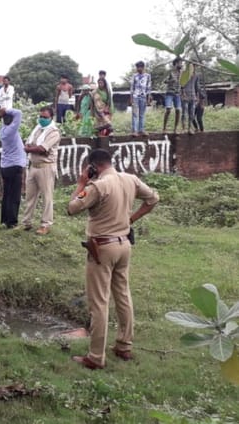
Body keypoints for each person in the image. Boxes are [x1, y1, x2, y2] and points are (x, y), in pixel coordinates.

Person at [67, 148, 159, 369]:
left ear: (93, 166)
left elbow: (72, 208)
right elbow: (153, 199)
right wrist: (130, 219)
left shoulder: (98, 186)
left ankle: (95, 357)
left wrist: (81, 183)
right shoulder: (130, 179)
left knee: (99, 302)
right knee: (123, 295)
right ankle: (124, 345)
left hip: (102, 248)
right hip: (124, 245)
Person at [21, 106, 61, 235]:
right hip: (33, 166)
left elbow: (42, 148)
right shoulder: (37, 129)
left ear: (51, 118)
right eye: (41, 116)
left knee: (47, 197)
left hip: (46, 167)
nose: (42, 119)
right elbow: (30, 144)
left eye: (45, 117)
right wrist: (33, 148)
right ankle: (26, 223)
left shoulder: (54, 132)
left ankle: (45, 224)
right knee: (30, 196)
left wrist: (30, 149)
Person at [0, 107, 27, 229]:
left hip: (6, 166)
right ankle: (12, 222)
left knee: (7, 194)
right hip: (14, 166)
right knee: (14, 196)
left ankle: (6, 219)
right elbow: (19, 112)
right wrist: (6, 110)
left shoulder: (3, 130)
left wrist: (2, 114)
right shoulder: (11, 130)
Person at [129, 61, 151, 137]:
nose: (138, 69)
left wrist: (148, 98)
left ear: (143, 67)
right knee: (135, 114)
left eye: (139, 67)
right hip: (135, 96)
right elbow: (132, 88)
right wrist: (131, 98)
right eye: (137, 67)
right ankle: (134, 131)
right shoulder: (134, 76)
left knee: (142, 114)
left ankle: (141, 130)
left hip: (143, 97)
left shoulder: (148, 76)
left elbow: (148, 88)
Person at [163, 57, 183, 133]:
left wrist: (183, 92)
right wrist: (171, 80)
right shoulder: (170, 72)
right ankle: (164, 128)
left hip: (177, 94)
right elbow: (165, 81)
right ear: (175, 64)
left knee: (178, 110)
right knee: (168, 109)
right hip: (169, 93)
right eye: (180, 63)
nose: (181, 64)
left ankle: (175, 128)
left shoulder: (182, 73)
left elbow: (183, 83)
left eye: (181, 63)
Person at [181, 63, 201, 135]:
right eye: (192, 66)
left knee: (191, 114)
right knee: (184, 113)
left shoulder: (196, 75)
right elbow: (182, 85)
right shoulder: (184, 74)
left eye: (195, 66)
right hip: (185, 96)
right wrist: (183, 94)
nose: (194, 67)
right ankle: (183, 128)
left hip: (193, 96)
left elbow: (197, 86)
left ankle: (190, 128)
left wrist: (197, 97)